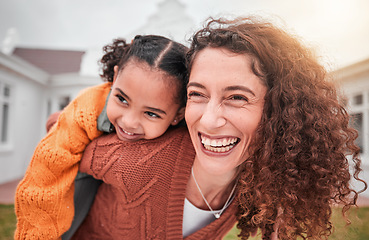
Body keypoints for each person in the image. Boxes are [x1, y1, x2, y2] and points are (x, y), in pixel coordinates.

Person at [72, 16, 366, 239]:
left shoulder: (258, 179)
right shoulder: (138, 162)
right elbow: (69, 147)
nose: (210, 121)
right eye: (197, 94)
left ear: (281, 110)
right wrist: (70, 119)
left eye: (237, 97)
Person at [14, 35, 188, 240]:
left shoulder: (186, 130)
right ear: (115, 78)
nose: (129, 121)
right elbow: (46, 174)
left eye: (151, 114)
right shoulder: (87, 108)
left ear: (179, 114)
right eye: (122, 99)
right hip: (70, 188)